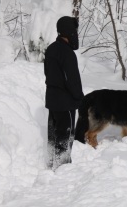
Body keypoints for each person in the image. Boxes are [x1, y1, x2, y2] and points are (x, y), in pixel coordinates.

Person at [44, 16, 84, 170]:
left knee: (53, 137)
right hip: (65, 103)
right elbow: (72, 79)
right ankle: (62, 170)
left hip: (52, 100)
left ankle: (49, 164)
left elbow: (47, 73)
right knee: (65, 139)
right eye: (74, 31)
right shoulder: (67, 53)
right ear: (68, 32)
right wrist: (79, 98)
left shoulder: (51, 48)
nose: (75, 34)